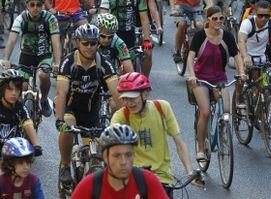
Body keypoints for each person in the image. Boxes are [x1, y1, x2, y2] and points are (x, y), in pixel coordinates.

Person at [111, 73, 199, 197]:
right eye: (125, 99)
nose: (129, 103)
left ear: (145, 94)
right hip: (133, 176)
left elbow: (179, 143)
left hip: (162, 177)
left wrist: (190, 171)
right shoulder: (121, 116)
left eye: (133, 98)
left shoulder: (162, 108)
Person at [54, 24, 120, 186]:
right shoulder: (68, 62)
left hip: (91, 111)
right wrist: (59, 120)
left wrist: (122, 118)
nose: (90, 47)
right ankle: (64, 165)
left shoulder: (103, 63)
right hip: (71, 108)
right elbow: (61, 94)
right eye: (85, 43)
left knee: (96, 159)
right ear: (77, 42)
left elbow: (117, 94)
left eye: (93, 43)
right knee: (67, 130)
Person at [188, 6, 245, 161]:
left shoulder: (227, 36)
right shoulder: (200, 36)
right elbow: (190, 57)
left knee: (226, 110)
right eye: (215, 18)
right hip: (201, 79)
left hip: (219, 78)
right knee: (205, 112)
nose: (219, 21)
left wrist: (241, 72)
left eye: (221, 18)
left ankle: (223, 132)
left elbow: (237, 55)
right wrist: (192, 76)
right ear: (208, 20)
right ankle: (200, 148)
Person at [1, 0, 60, 117]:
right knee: (23, 87)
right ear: (27, 5)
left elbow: (56, 43)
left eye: (39, 5)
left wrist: (57, 63)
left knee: (43, 75)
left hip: (44, 55)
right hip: (26, 56)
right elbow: (12, 39)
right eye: (32, 5)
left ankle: (44, 100)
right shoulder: (21, 18)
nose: (35, 8)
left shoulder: (50, 19)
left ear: (43, 5)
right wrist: (5, 59)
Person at [72, 124, 168, 198]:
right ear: (105, 157)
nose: (123, 162)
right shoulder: (90, 186)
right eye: (117, 155)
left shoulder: (147, 181)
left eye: (128, 155)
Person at [100, 0, 152, 76]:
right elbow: (102, 17)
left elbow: (144, 18)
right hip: (112, 33)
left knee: (148, 53)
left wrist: (147, 39)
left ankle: (144, 80)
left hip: (130, 32)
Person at [238, 0, 271, 90]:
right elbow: (241, 40)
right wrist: (245, 57)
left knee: (267, 84)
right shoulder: (247, 23)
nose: (263, 18)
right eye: (260, 15)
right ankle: (238, 97)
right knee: (241, 77)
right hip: (245, 53)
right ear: (255, 13)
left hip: (261, 56)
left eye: (266, 16)